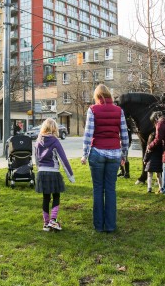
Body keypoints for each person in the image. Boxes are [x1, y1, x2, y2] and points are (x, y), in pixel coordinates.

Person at [81, 84, 129, 233]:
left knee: (98, 189)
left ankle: (98, 226)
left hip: (97, 153)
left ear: (97, 96)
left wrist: (84, 153)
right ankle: (110, 225)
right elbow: (124, 135)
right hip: (114, 153)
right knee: (110, 189)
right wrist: (124, 155)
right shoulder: (119, 110)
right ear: (109, 95)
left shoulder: (93, 110)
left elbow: (88, 134)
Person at [34, 118, 75, 231]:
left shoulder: (38, 141)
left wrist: (39, 169)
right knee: (56, 196)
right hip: (53, 172)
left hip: (42, 172)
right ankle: (53, 220)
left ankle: (46, 223)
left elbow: (36, 158)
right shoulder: (55, 141)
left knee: (46, 197)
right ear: (54, 128)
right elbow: (63, 159)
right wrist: (70, 176)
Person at [142, 112, 164, 193]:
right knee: (159, 175)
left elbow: (147, 152)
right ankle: (161, 188)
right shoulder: (160, 144)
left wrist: (145, 160)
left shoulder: (150, 145)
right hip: (158, 161)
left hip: (150, 162)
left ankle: (149, 188)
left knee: (149, 175)